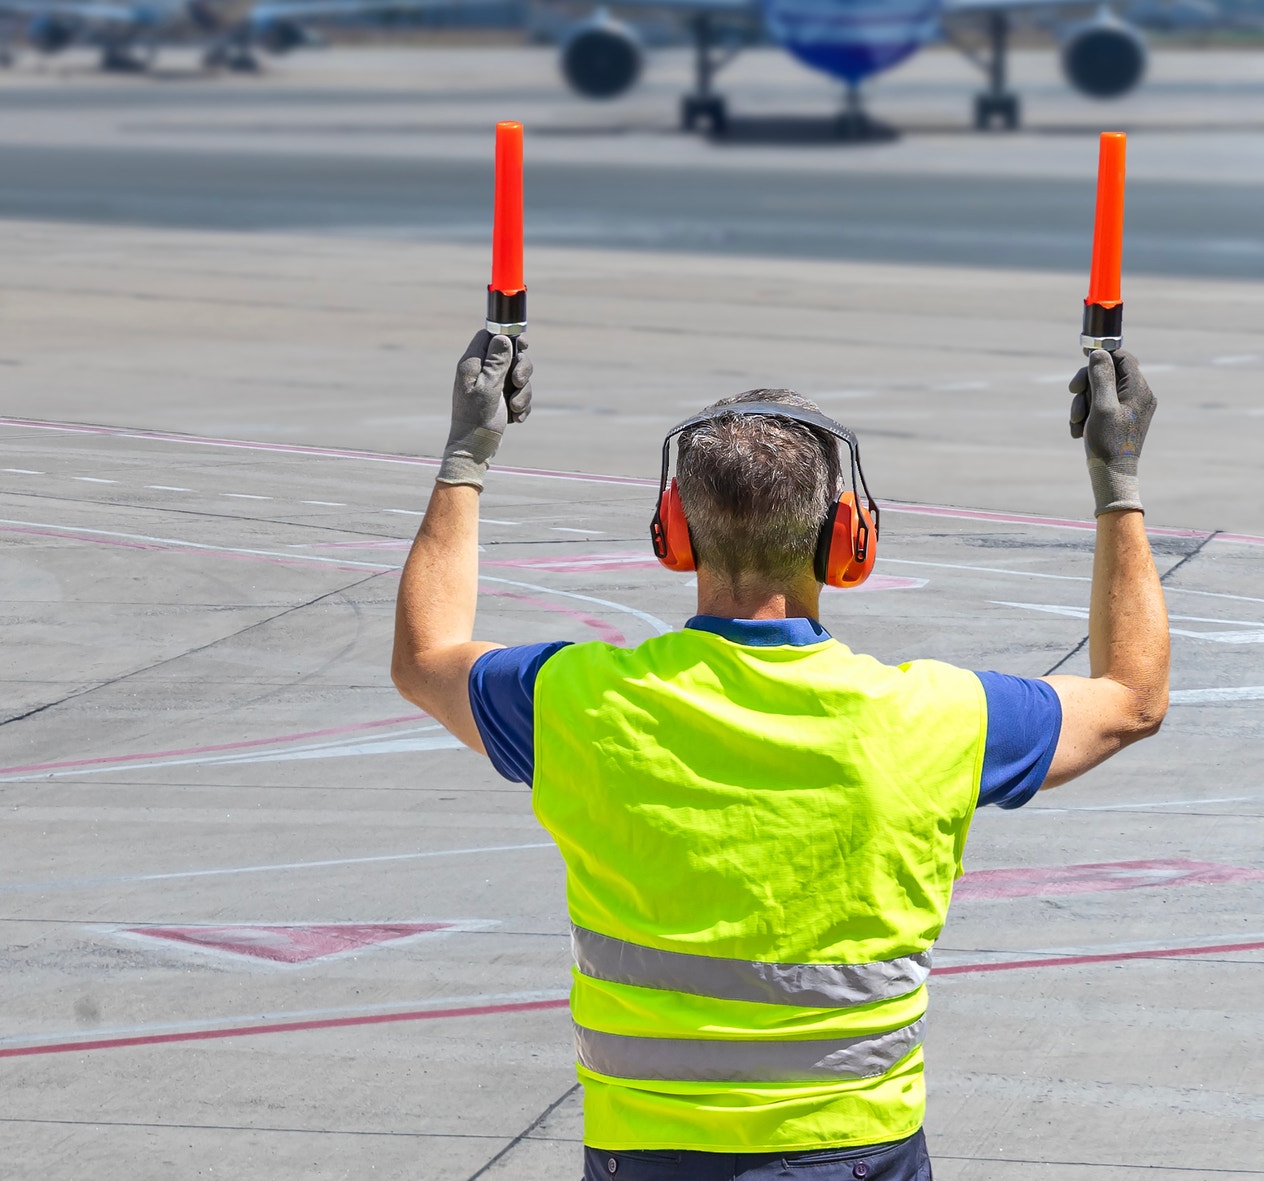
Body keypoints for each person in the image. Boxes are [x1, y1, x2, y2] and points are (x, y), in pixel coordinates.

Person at [392, 330, 1168, 1181]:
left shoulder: (579, 700)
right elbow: (1133, 695)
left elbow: (426, 653)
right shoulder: (931, 717)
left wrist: (468, 451)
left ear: (675, 532)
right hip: (860, 1153)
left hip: (646, 1157)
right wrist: (1116, 479)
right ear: (847, 537)